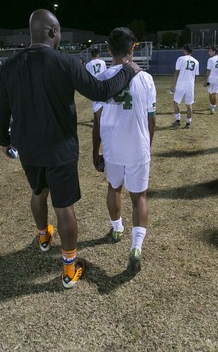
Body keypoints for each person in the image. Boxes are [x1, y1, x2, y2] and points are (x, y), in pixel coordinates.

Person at [0, 9, 139, 289]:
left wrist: (4, 140)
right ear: (52, 32)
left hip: (29, 148)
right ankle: (69, 269)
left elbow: (0, 110)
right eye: (58, 31)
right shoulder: (63, 61)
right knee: (64, 208)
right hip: (60, 148)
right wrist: (128, 71)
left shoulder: (10, 66)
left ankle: (44, 237)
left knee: (38, 192)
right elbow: (100, 91)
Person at [92, 27, 156, 274]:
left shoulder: (102, 78)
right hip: (138, 146)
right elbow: (152, 120)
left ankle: (117, 227)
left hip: (112, 147)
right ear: (133, 48)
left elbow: (97, 122)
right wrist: (146, 147)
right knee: (139, 196)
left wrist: (94, 152)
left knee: (113, 187)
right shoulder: (146, 78)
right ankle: (136, 246)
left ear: (109, 50)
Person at [171, 44, 199, 128]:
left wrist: (173, 84)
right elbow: (196, 75)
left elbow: (176, 72)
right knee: (189, 104)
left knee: (176, 102)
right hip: (190, 85)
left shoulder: (181, 59)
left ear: (185, 50)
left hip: (181, 84)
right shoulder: (196, 61)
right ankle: (188, 123)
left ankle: (178, 120)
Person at [202, 45, 218, 114]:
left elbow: (208, 70)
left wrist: (206, 80)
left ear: (214, 51)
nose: (209, 52)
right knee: (215, 94)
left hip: (211, 79)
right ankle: (213, 107)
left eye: (210, 51)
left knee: (210, 93)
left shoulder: (210, 60)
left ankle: (212, 106)